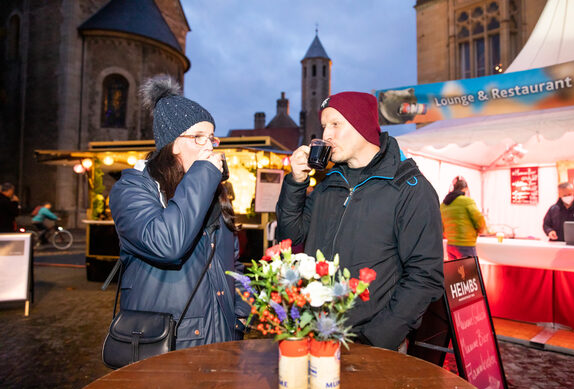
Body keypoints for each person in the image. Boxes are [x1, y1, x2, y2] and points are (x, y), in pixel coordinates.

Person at [276, 91, 444, 351]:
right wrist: (296, 184)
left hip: (372, 344)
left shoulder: (409, 188)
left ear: (362, 126)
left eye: (335, 124)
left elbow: (424, 276)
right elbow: (290, 237)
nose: (326, 135)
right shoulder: (328, 185)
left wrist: (377, 338)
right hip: (316, 331)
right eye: (324, 126)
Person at [109, 75, 249, 349]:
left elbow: (232, 263)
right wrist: (203, 176)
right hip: (168, 340)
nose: (209, 146)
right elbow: (167, 245)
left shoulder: (208, 191)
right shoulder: (132, 188)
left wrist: (241, 315)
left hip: (220, 334)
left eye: (211, 138)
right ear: (172, 144)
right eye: (198, 137)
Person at [440, 177, 486, 260]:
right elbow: (479, 219)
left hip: (450, 245)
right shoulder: (467, 201)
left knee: (455, 272)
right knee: (470, 272)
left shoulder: (443, 204)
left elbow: (441, 226)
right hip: (465, 244)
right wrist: (479, 231)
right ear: (465, 189)